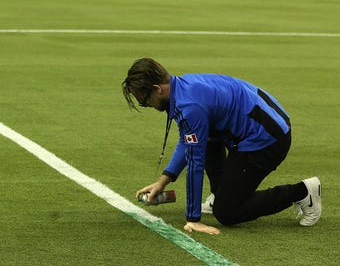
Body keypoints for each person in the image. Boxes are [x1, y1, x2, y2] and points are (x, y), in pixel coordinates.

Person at [122, 57, 321, 235]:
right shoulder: (182, 87)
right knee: (203, 137)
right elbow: (188, 139)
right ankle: (221, 194)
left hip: (267, 139)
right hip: (256, 127)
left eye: (144, 101)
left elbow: (195, 161)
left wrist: (193, 218)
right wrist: (163, 181)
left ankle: (302, 192)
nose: (146, 105)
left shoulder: (190, 106)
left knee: (227, 212)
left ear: (158, 89)